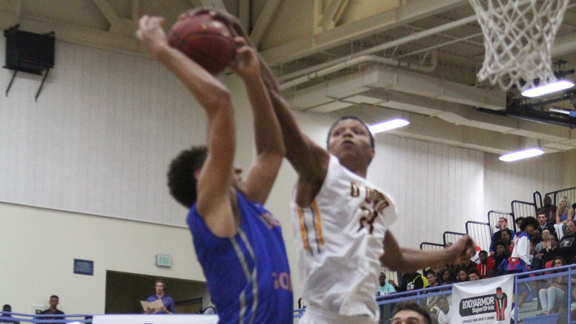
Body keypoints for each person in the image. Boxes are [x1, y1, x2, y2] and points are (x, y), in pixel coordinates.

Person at [260, 48, 474, 324]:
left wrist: (449, 253)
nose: (347, 133)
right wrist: (263, 85)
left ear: (372, 152)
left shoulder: (375, 199)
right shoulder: (319, 175)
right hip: (323, 315)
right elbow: (289, 138)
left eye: (357, 131)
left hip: (364, 317)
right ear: (328, 150)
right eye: (338, 133)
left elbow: (396, 258)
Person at [137, 10, 292, 323]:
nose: (236, 167)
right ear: (202, 175)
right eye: (226, 163)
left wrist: (252, 80)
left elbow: (273, 152)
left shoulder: (246, 206)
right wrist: (161, 50)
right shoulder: (210, 209)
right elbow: (220, 102)